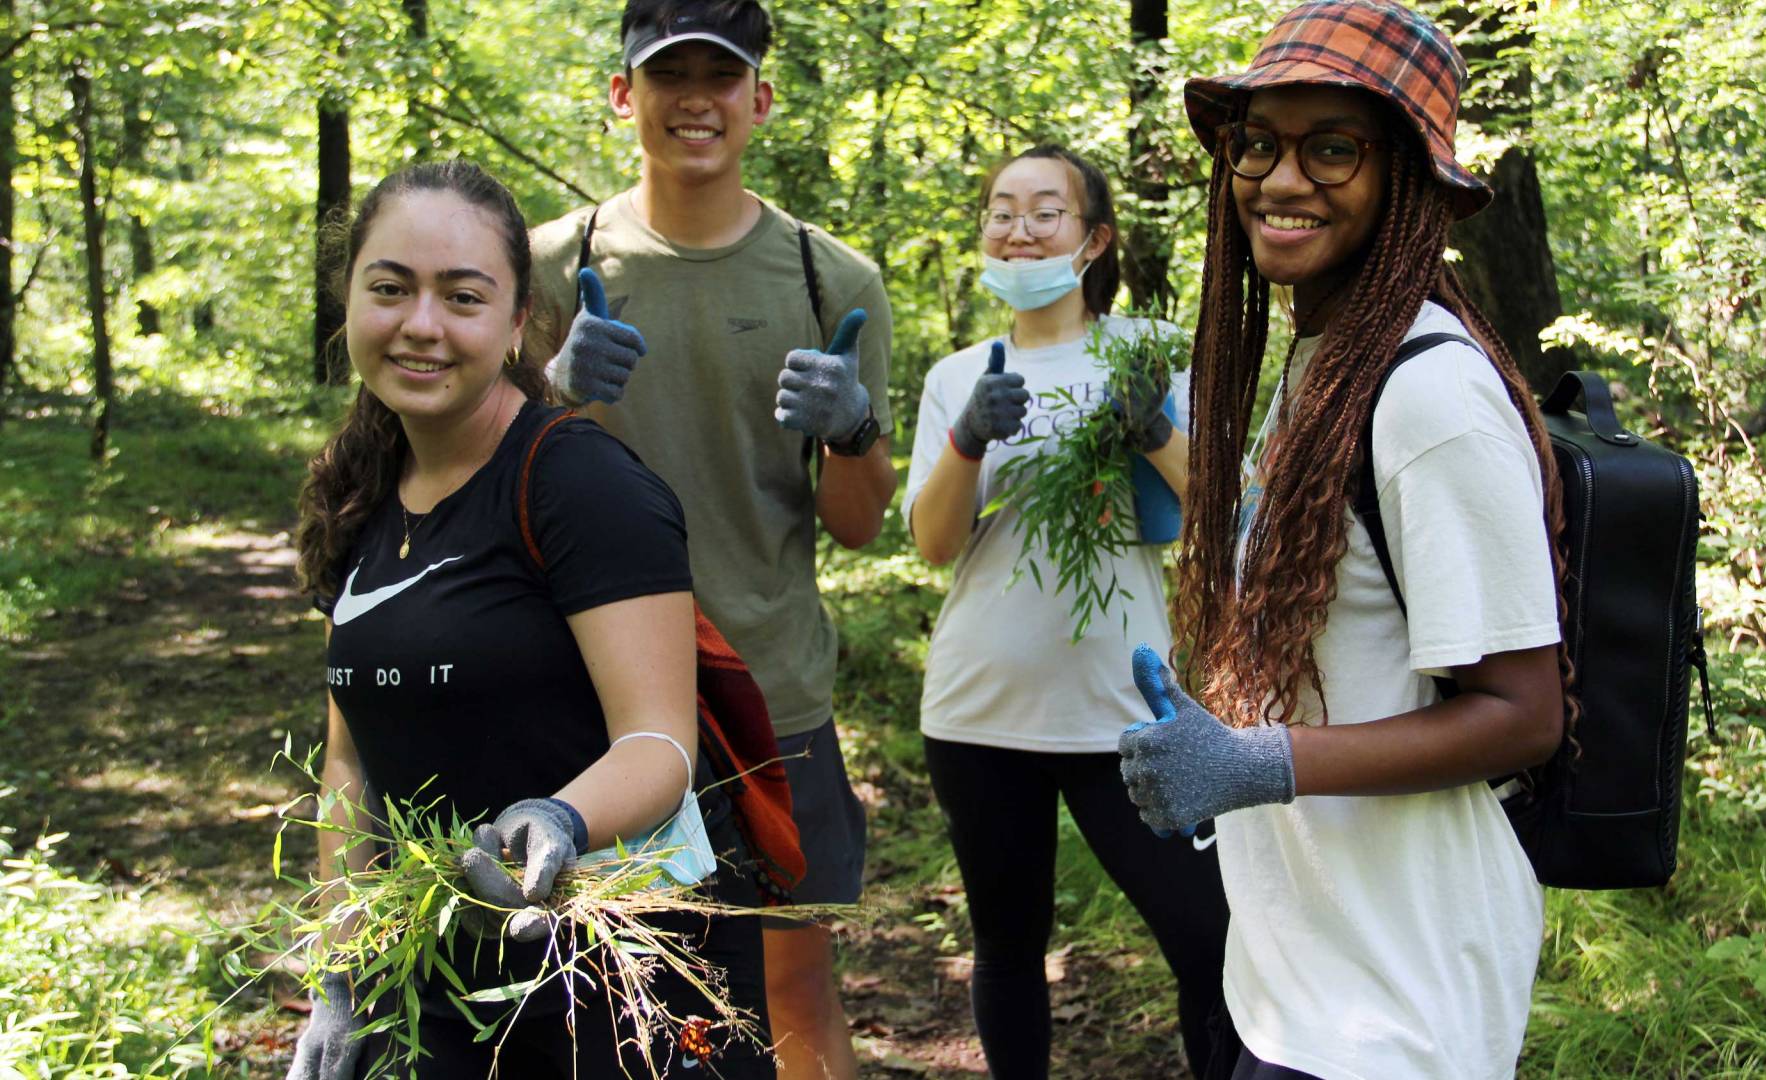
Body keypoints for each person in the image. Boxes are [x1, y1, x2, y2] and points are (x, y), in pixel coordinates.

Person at [1115, 3, 1572, 1078]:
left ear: (1407, 177)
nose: (1281, 179)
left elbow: (1523, 712)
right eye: (1257, 143)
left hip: (1396, 1009)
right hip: (1302, 984)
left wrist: (1254, 763)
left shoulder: (1430, 395)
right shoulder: (1325, 361)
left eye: (1332, 148)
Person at [286, 161, 773, 1079]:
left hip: (624, 988)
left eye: (462, 297)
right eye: (389, 289)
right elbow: (350, 762)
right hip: (441, 987)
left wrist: (560, 816)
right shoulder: (358, 493)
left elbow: (659, 745)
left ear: (517, 324)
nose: (420, 324)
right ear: (348, 300)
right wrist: (340, 975)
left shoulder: (578, 483)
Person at [521, 1, 896, 1076]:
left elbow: (861, 523)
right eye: (668, 74)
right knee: (608, 985)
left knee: (791, 981)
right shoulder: (547, 270)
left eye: (720, 77)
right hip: (586, 700)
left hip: (770, 695)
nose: (696, 100)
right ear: (621, 95)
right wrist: (545, 394)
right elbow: (474, 487)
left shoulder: (835, 281)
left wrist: (854, 429)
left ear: (759, 100)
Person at [902, 145, 1235, 1080]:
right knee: (1008, 943)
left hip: (1124, 712)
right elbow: (934, 543)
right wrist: (968, 438)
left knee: (1206, 936)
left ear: (1092, 239)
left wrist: (1157, 429)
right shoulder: (958, 372)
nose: (1019, 228)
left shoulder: (1149, 353)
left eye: (1045, 211)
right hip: (980, 711)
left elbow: (1220, 515)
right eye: (1002, 210)